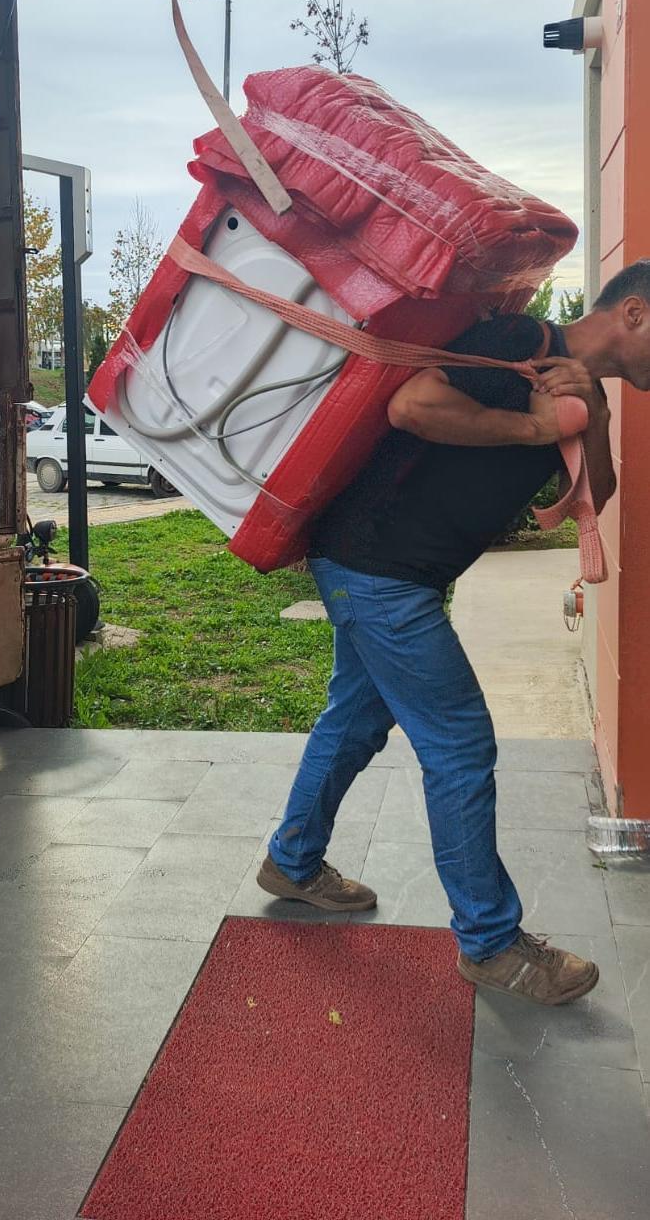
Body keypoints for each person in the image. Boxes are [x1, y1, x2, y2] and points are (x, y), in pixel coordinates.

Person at [258, 261, 650, 1005]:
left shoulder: (583, 390)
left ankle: (292, 861)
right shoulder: (518, 343)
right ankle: (491, 943)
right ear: (633, 313)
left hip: (390, 571)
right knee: (460, 744)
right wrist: (533, 425)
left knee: (355, 721)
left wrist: (592, 420)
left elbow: (592, 494)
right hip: (376, 567)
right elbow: (413, 405)